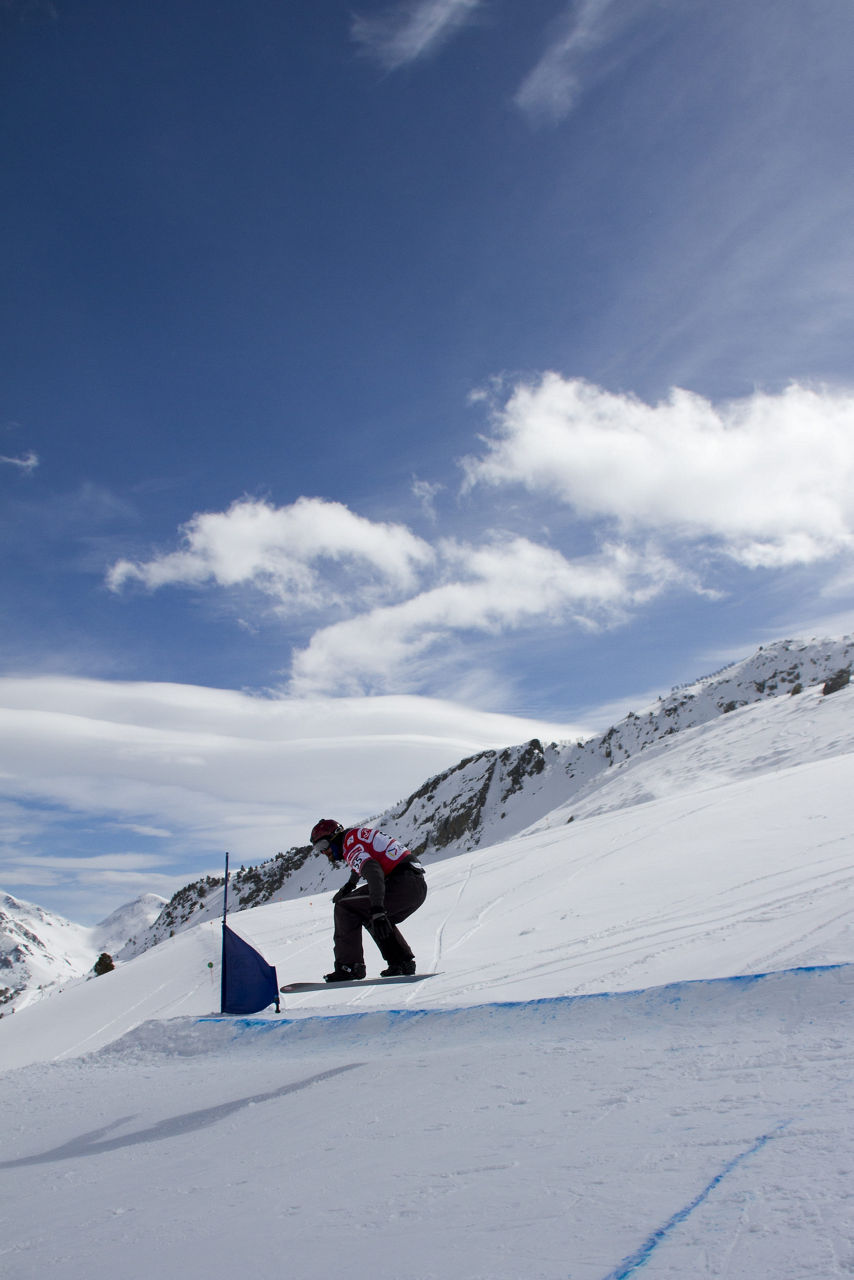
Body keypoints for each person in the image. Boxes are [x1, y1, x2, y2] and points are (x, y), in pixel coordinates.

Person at [310, 819, 427, 983]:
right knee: (367, 912)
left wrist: (378, 908)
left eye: (323, 845)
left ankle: (349, 966)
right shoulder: (355, 837)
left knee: (345, 907)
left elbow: (373, 871)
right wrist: (349, 886)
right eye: (318, 849)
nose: (324, 852)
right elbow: (364, 862)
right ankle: (401, 962)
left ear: (334, 837)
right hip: (415, 886)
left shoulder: (350, 845)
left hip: (402, 885)